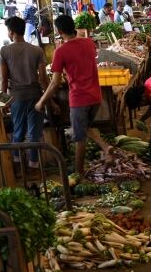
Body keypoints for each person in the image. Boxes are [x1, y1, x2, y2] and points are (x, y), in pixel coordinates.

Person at [35, 15, 113, 177]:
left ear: (59, 31)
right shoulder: (89, 42)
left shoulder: (60, 51)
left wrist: (42, 101)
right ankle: (105, 147)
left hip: (79, 98)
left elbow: (55, 82)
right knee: (86, 128)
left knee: (79, 138)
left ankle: (79, 172)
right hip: (95, 96)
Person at [0, 17, 48, 169]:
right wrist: (48, 99)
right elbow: (43, 78)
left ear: (11, 32)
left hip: (17, 97)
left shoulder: (5, 50)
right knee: (35, 132)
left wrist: (3, 101)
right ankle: (34, 165)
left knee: (18, 131)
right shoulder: (37, 50)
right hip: (35, 95)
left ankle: (18, 164)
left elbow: (3, 78)